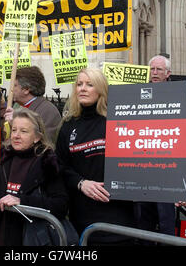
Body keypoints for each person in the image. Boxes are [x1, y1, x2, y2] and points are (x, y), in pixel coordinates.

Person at [56, 67, 136, 246]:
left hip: (118, 217)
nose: (82, 88)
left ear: (100, 89)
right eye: (79, 84)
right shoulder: (69, 125)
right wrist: (81, 183)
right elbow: (60, 165)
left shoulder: (117, 121)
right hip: (82, 218)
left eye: (89, 84)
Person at [0, 107, 69, 246]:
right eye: (14, 130)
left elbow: (61, 205)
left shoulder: (47, 162)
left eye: (23, 131)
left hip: (29, 236)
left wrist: (22, 201)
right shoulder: (2, 157)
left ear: (37, 137)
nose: (16, 135)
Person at [135, 55, 177, 243]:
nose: (154, 73)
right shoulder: (139, 94)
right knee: (144, 222)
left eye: (159, 70)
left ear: (168, 73)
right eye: (152, 69)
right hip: (144, 166)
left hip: (167, 168)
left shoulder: (176, 95)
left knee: (166, 222)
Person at [5, 66, 62, 143]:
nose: (11, 89)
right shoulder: (16, 107)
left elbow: (45, 144)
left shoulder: (48, 111)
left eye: (15, 85)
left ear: (26, 89)